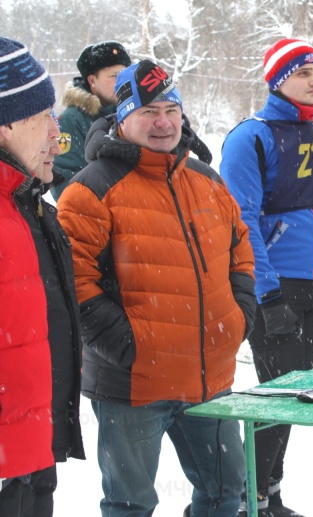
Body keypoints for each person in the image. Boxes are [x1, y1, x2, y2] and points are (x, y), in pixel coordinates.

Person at [57, 59, 257, 516]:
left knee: (225, 494)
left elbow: (239, 248)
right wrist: (128, 344)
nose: (164, 122)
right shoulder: (89, 190)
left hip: (211, 382)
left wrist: (239, 315)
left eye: (171, 108)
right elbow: (75, 283)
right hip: (132, 386)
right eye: (148, 111)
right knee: (131, 505)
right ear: (122, 117)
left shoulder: (205, 179)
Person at [220, 38, 313, 517]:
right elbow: (243, 222)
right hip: (277, 287)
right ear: (278, 80)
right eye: (302, 73)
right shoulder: (249, 137)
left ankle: (268, 494)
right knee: (274, 397)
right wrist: (267, 292)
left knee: (297, 398)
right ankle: (245, 497)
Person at [0, 37, 60, 517]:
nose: (55, 132)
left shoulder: (23, 204)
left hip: (25, 451)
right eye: (44, 117)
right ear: (7, 124)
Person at [51, 40, 131, 201]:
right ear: (92, 81)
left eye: (125, 75)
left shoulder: (129, 114)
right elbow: (65, 183)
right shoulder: (71, 121)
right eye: (114, 76)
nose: (122, 82)